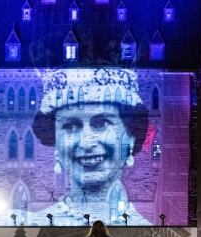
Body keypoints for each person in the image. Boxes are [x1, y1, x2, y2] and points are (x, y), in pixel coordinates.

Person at [32, 68, 149, 225]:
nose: (86, 143)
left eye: (101, 123)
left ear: (130, 139)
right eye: (70, 126)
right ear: (56, 144)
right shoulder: (29, 226)